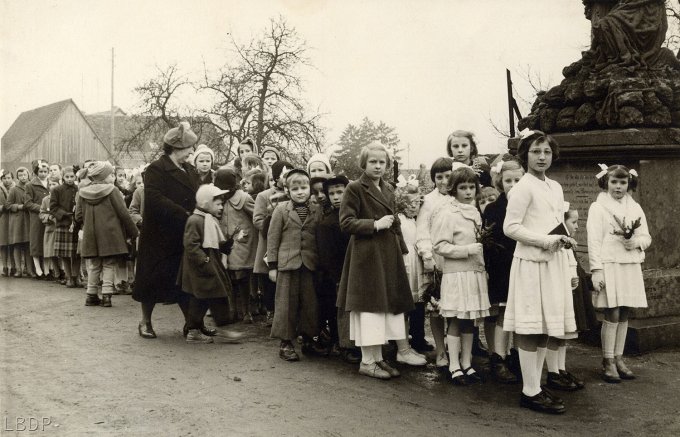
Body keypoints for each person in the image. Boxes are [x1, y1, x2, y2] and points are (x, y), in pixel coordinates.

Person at [337, 142, 426, 380]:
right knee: (369, 308)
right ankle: (367, 361)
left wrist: (402, 249)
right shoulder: (355, 188)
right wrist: (374, 225)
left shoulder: (388, 188)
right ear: (363, 164)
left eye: (382, 162)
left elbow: (394, 222)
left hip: (387, 255)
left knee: (386, 307)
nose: (378, 166)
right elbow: (346, 223)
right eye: (373, 162)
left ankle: (378, 358)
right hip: (366, 256)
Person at [503, 129, 576, 414]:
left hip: (553, 263)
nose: (542, 157)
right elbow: (511, 228)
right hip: (531, 263)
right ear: (525, 155)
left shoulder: (555, 187)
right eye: (536, 151)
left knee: (546, 324)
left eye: (546, 151)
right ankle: (529, 390)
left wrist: (564, 239)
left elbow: (555, 221)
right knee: (530, 325)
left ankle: (537, 383)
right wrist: (546, 240)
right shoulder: (522, 187)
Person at [133, 121, 201, 338]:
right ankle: (145, 322)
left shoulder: (190, 169)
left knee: (182, 279)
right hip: (159, 234)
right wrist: (183, 213)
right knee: (151, 280)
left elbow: (197, 195)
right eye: (189, 147)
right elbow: (154, 198)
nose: (192, 151)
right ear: (176, 148)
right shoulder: (156, 169)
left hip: (182, 232)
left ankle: (190, 324)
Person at [587, 164, 651, 383]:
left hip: (629, 264)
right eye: (614, 182)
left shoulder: (635, 208)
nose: (618, 187)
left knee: (624, 311)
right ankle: (607, 361)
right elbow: (594, 241)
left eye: (623, 182)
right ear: (606, 182)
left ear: (628, 184)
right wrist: (596, 270)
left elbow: (646, 237)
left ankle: (619, 357)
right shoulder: (598, 207)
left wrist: (635, 242)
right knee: (612, 311)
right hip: (609, 264)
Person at [431, 163, 490, 385]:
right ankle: (454, 364)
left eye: (471, 188)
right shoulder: (448, 213)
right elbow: (440, 246)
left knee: (470, 321)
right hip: (456, 275)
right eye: (463, 188)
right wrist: (466, 250)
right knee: (455, 320)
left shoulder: (475, 211)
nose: (467, 192)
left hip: (473, 273)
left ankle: (467, 362)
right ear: (454, 189)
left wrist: (482, 267)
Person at [178, 184, 244, 344]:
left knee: (215, 296)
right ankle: (193, 331)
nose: (221, 207)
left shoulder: (209, 219)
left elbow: (214, 243)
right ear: (205, 203)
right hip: (199, 269)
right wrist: (205, 260)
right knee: (200, 299)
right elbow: (191, 245)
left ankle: (221, 329)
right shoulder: (195, 220)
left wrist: (226, 245)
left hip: (209, 266)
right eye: (218, 203)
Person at [267, 168, 320, 361]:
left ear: (310, 189)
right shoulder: (281, 210)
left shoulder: (316, 210)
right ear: (288, 191)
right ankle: (285, 343)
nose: (300, 191)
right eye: (295, 188)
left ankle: (308, 339)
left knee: (309, 304)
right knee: (286, 304)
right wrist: (272, 266)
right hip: (287, 265)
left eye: (304, 187)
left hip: (309, 265)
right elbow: (272, 239)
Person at [544, 205, 594, 392]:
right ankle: (553, 373)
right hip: (559, 292)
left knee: (565, 335)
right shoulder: (556, 243)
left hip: (570, 292)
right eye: (573, 222)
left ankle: (561, 369)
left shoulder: (568, 243)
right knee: (556, 335)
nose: (577, 226)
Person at [482, 159, 523, 384]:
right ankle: (499, 357)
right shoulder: (494, 208)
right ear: (500, 183)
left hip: (525, 265)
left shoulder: (528, 205)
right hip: (503, 268)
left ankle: (517, 355)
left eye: (518, 180)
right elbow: (489, 242)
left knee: (522, 315)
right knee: (504, 314)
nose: (513, 185)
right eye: (508, 181)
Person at [75, 161, 139, 307]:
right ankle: (106, 296)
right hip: (110, 234)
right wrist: (133, 232)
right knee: (109, 263)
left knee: (94, 264)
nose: (113, 177)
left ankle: (91, 295)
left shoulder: (82, 192)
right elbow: (123, 213)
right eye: (111, 174)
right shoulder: (113, 190)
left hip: (91, 233)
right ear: (104, 176)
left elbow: (78, 216)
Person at [315, 175, 361, 362]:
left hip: (358, 269)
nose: (336, 197)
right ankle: (346, 346)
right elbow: (326, 256)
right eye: (331, 193)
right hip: (339, 274)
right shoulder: (327, 223)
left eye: (340, 192)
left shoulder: (354, 216)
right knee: (343, 311)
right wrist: (337, 277)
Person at [415, 157, 453, 367]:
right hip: (437, 261)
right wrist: (427, 256)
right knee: (437, 308)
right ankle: (440, 351)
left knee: (457, 308)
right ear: (434, 179)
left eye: (448, 176)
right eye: (439, 177)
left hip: (458, 260)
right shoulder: (428, 201)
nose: (444, 181)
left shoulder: (462, 198)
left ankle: (456, 349)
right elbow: (422, 230)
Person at [215, 168, 258, 324]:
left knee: (242, 276)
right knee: (229, 277)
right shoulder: (218, 199)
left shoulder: (244, 198)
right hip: (225, 243)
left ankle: (246, 311)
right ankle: (232, 309)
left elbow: (257, 217)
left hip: (242, 243)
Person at [253, 160, 293, 326]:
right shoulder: (264, 196)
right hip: (270, 242)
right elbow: (257, 219)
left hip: (290, 242)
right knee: (270, 281)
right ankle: (271, 311)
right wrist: (273, 224)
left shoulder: (292, 193)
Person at [395, 181, 431, 354]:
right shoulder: (400, 221)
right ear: (403, 204)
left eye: (417, 203)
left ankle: (418, 338)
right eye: (412, 204)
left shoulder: (415, 220)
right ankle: (401, 341)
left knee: (419, 303)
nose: (415, 207)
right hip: (406, 261)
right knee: (405, 304)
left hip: (418, 262)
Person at [51, 166, 81, 288]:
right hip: (63, 224)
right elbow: (53, 208)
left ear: (75, 176)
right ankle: (69, 278)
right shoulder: (57, 190)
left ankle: (76, 277)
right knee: (65, 254)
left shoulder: (79, 189)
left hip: (77, 224)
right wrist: (64, 214)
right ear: (62, 177)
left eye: (72, 177)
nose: (69, 179)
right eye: (67, 177)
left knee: (78, 253)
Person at [25, 160, 50, 278]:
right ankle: (38, 269)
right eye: (41, 171)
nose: (43, 174)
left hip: (49, 217)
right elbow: (28, 203)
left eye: (45, 171)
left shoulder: (51, 184)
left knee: (47, 242)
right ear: (36, 172)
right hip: (36, 217)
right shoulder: (30, 185)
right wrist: (42, 208)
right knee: (36, 242)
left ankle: (47, 270)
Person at [7, 167, 33, 277]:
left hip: (28, 219)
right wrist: (19, 206)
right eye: (20, 175)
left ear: (28, 175)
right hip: (17, 220)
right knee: (17, 245)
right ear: (17, 177)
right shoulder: (14, 189)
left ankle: (30, 269)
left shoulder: (31, 187)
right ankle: (18, 269)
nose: (23, 177)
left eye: (25, 175)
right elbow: (8, 205)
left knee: (28, 245)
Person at [39, 176, 60, 280]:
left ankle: (64, 271)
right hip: (50, 229)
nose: (52, 186)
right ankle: (57, 272)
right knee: (52, 252)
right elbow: (41, 213)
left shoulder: (62, 197)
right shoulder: (45, 200)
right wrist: (48, 217)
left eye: (54, 184)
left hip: (60, 227)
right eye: (50, 184)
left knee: (62, 252)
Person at [0, 170, 14, 276]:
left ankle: (13, 266)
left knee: (13, 243)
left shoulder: (15, 188)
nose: (7, 180)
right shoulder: (0, 190)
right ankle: (5, 266)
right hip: (3, 218)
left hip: (14, 217)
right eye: (4, 178)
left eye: (9, 178)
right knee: (4, 243)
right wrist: (3, 207)